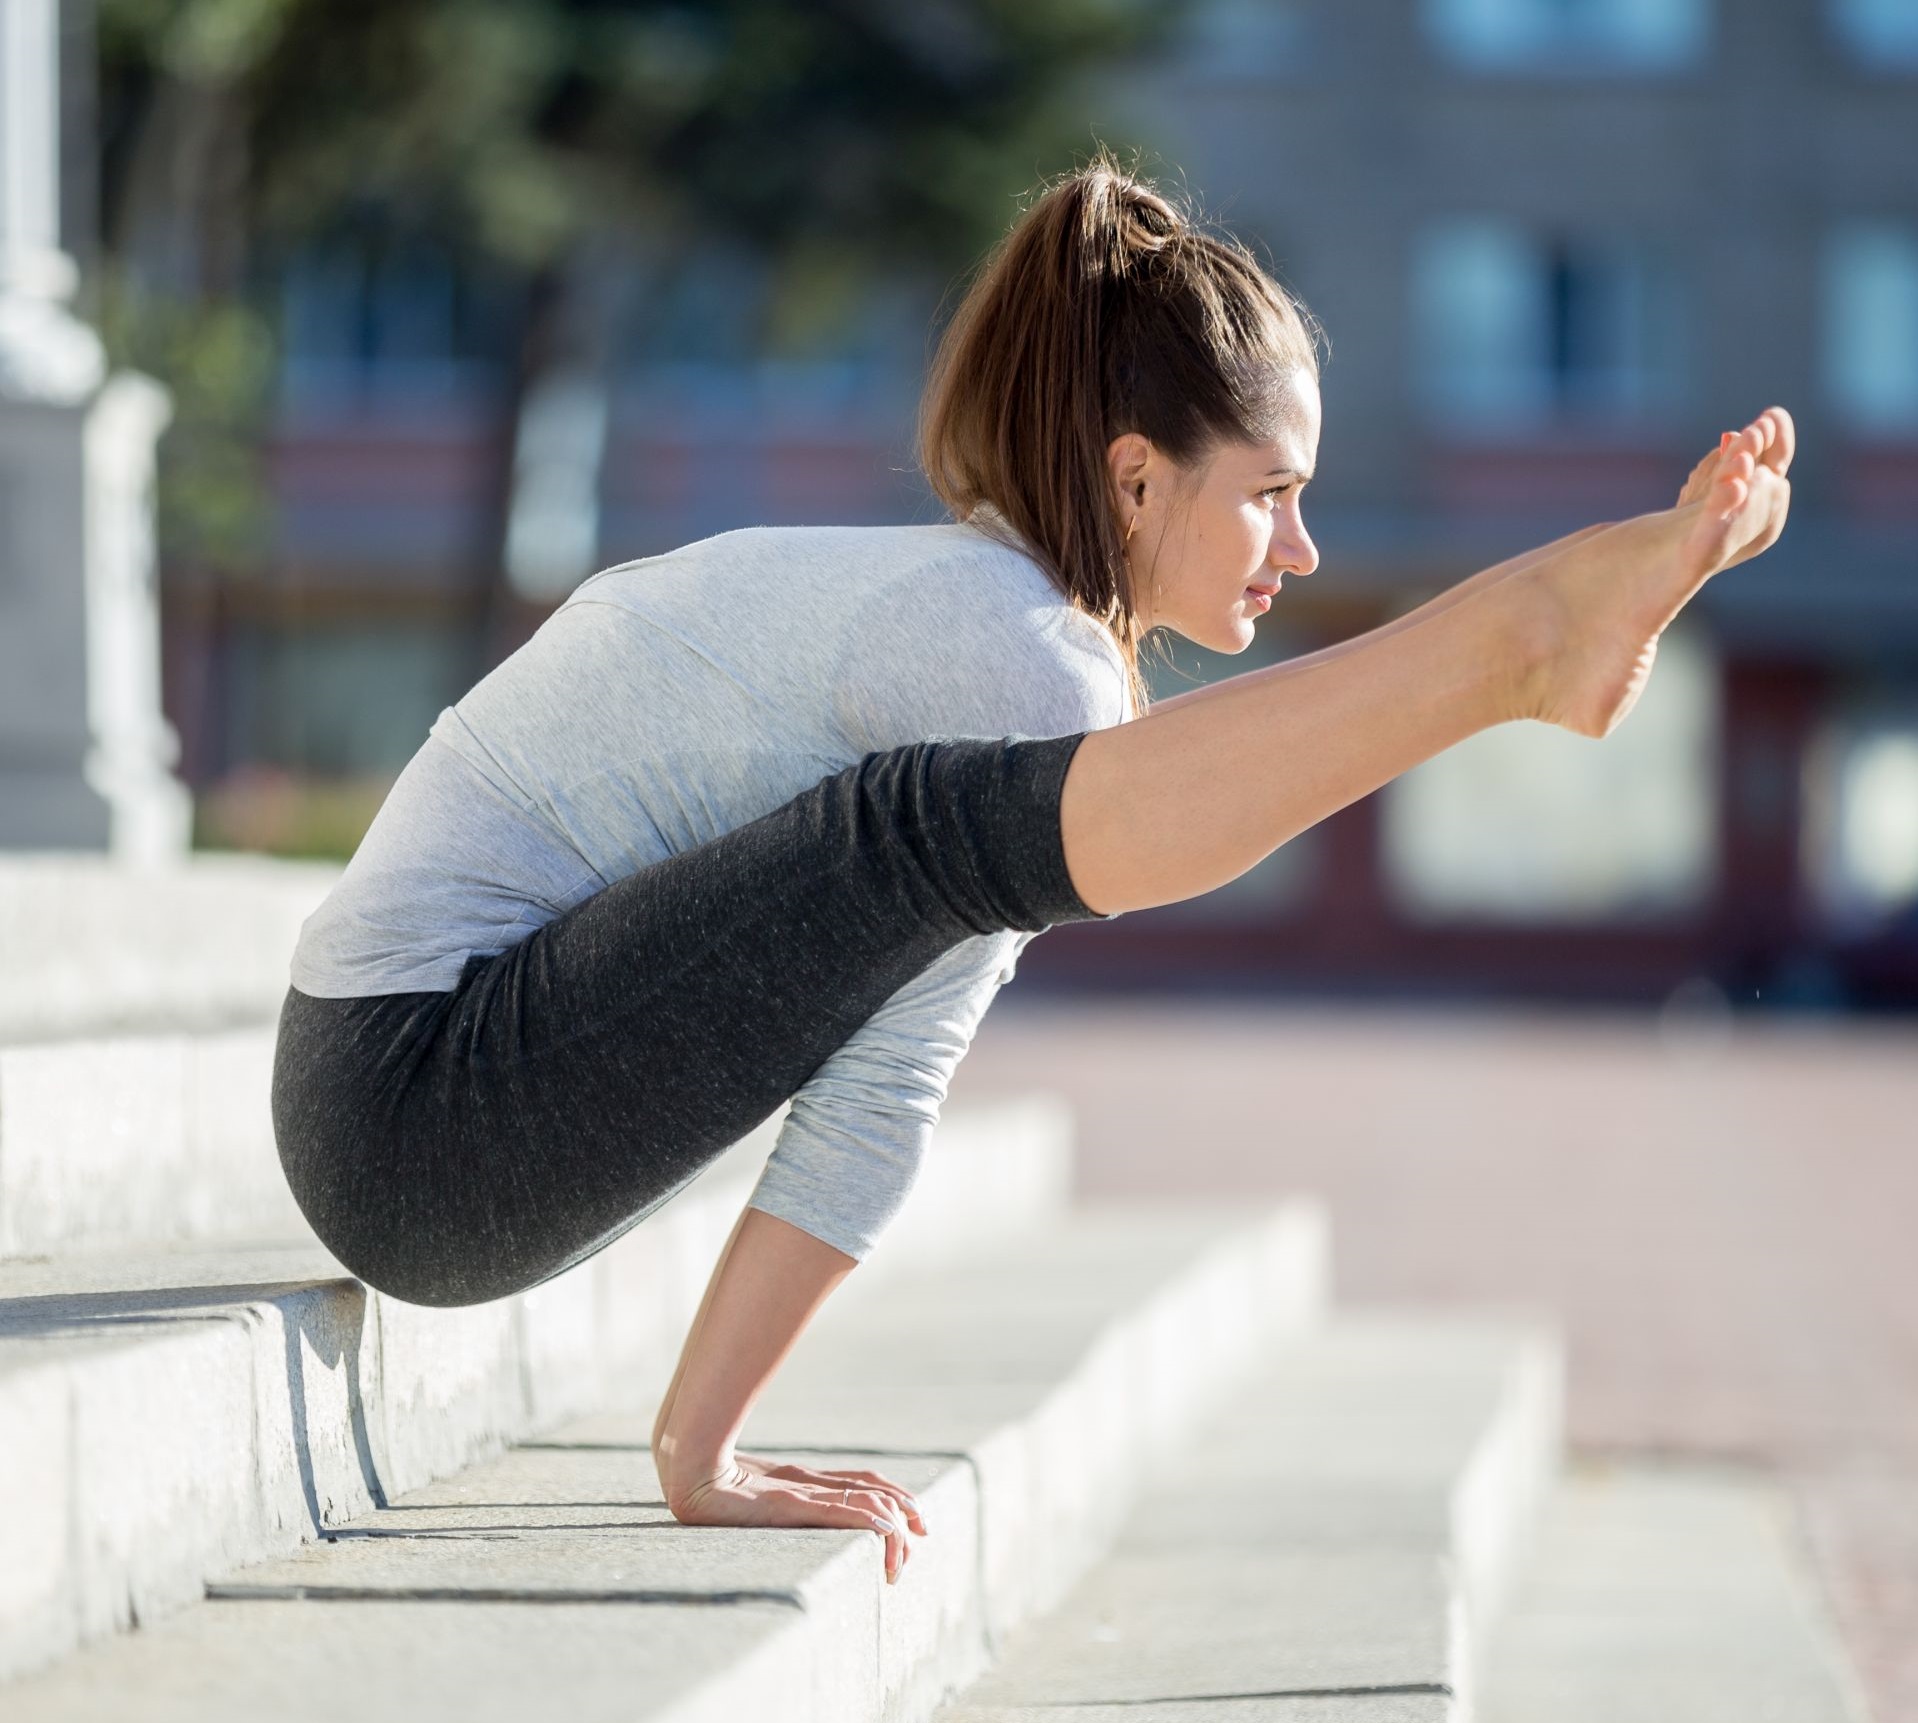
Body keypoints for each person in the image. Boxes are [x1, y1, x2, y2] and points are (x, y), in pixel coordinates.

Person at [269, 149, 1794, 1588]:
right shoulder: (1000, 654)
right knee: (932, 826)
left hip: (424, 1105)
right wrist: (701, 1454)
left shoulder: (974, 631)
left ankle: (1518, 642)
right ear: (1135, 482)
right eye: (1271, 490)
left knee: (941, 829)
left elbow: (877, 1076)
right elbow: (889, 1092)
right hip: (416, 1104)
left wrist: (697, 1444)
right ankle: (1508, 645)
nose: (1302, 547)